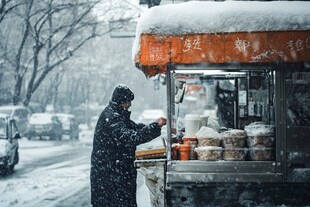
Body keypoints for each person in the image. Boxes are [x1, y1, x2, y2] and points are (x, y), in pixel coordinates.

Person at [90, 84, 167, 207]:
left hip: (117, 173)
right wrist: (155, 127)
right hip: (111, 177)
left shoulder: (117, 115)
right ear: (122, 101)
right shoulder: (111, 117)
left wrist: (155, 125)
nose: (130, 104)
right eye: (128, 101)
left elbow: (135, 128)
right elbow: (131, 137)